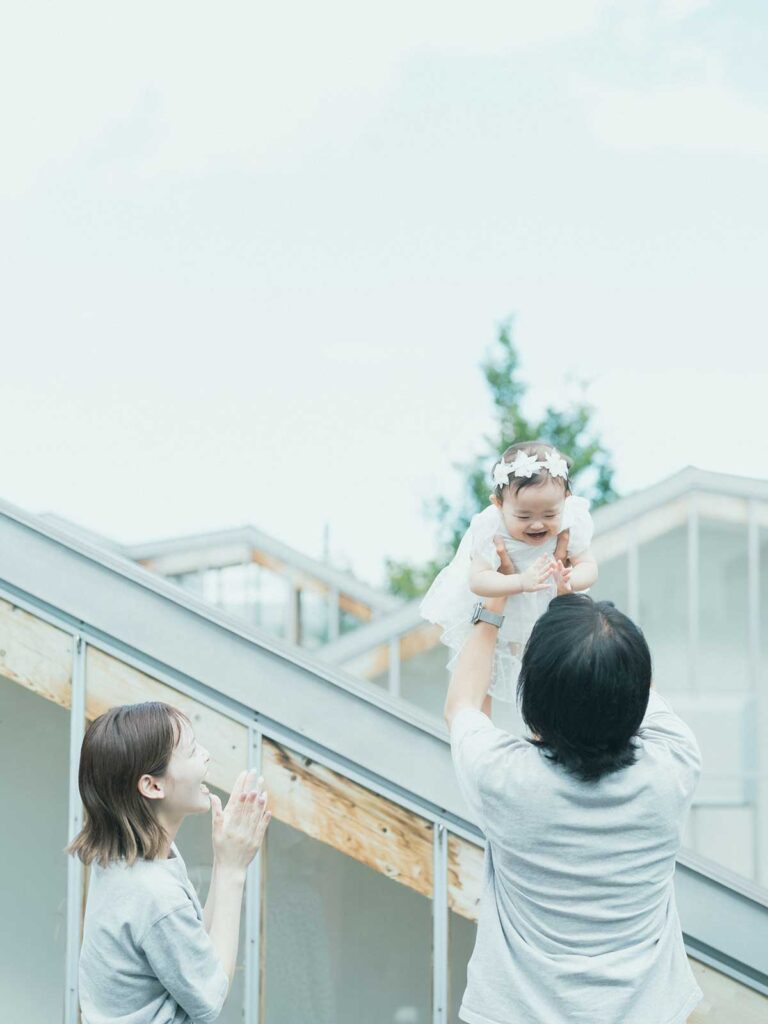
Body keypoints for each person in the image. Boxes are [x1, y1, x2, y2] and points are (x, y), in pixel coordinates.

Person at [445, 583, 703, 1024]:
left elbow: (463, 704)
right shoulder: (674, 766)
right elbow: (639, 691)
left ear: (534, 701)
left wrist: (494, 605)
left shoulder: (502, 778)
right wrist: (586, 609)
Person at [67, 701, 271, 1024]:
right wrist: (233, 870)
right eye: (191, 751)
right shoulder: (152, 893)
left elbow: (190, 952)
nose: (206, 754)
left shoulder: (125, 859)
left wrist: (224, 858)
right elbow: (211, 994)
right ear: (152, 785)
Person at [421, 440, 598, 702]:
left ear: (565, 500)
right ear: (499, 505)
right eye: (524, 517)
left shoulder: (573, 520)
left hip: (544, 608)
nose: (537, 524)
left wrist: (570, 579)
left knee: (546, 678)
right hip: (497, 608)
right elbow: (478, 580)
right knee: (483, 673)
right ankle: (479, 722)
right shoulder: (492, 528)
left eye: (549, 514)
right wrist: (519, 581)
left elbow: (589, 566)